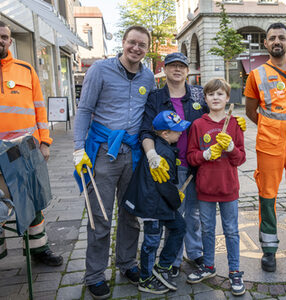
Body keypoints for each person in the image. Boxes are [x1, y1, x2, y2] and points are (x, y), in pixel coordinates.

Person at [140, 52, 246, 277]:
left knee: (195, 213)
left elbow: (215, 112)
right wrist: (152, 155)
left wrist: (235, 121)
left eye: (182, 66)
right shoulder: (155, 97)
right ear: (165, 70)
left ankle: (196, 252)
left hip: (199, 165)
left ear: (188, 71)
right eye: (172, 66)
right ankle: (174, 259)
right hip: (171, 162)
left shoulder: (198, 93)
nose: (177, 70)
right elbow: (146, 129)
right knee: (175, 214)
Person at [73, 25, 155, 299]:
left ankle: (127, 263)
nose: (136, 48)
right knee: (100, 217)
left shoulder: (148, 76)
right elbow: (84, 109)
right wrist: (77, 148)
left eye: (142, 44)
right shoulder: (99, 70)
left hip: (133, 155)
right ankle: (95, 274)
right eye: (132, 42)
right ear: (123, 43)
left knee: (131, 213)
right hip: (104, 153)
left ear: (148, 48)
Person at [0, 21, 63, 266]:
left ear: (10, 41)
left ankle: (39, 250)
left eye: (4, 37)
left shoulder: (25, 69)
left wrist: (45, 142)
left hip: (23, 151)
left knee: (32, 201)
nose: (1, 40)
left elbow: (40, 109)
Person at [245, 22, 286, 272]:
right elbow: (250, 111)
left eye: (281, 37)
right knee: (267, 197)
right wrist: (271, 128)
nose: (277, 41)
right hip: (269, 146)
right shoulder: (256, 75)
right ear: (265, 44)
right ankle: (269, 249)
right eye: (272, 38)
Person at [186, 78, 246, 296]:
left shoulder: (234, 124)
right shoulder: (198, 125)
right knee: (208, 229)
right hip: (205, 189)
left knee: (231, 231)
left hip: (229, 188)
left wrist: (231, 148)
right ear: (205, 98)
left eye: (220, 94)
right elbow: (191, 157)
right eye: (211, 94)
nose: (216, 98)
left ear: (227, 98)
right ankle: (208, 265)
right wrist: (205, 154)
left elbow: (240, 159)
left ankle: (235, 271)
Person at [122, 110, 189, 294]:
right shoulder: (163, 152)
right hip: (152, 206)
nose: (181, 132)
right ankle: (145, 278)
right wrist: (176, 200)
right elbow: (164, 184)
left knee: (179, 226)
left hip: (159, 204)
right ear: (165, 133)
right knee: (151, 241)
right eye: (177, 130)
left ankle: (163, 266)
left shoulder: (163, 147)